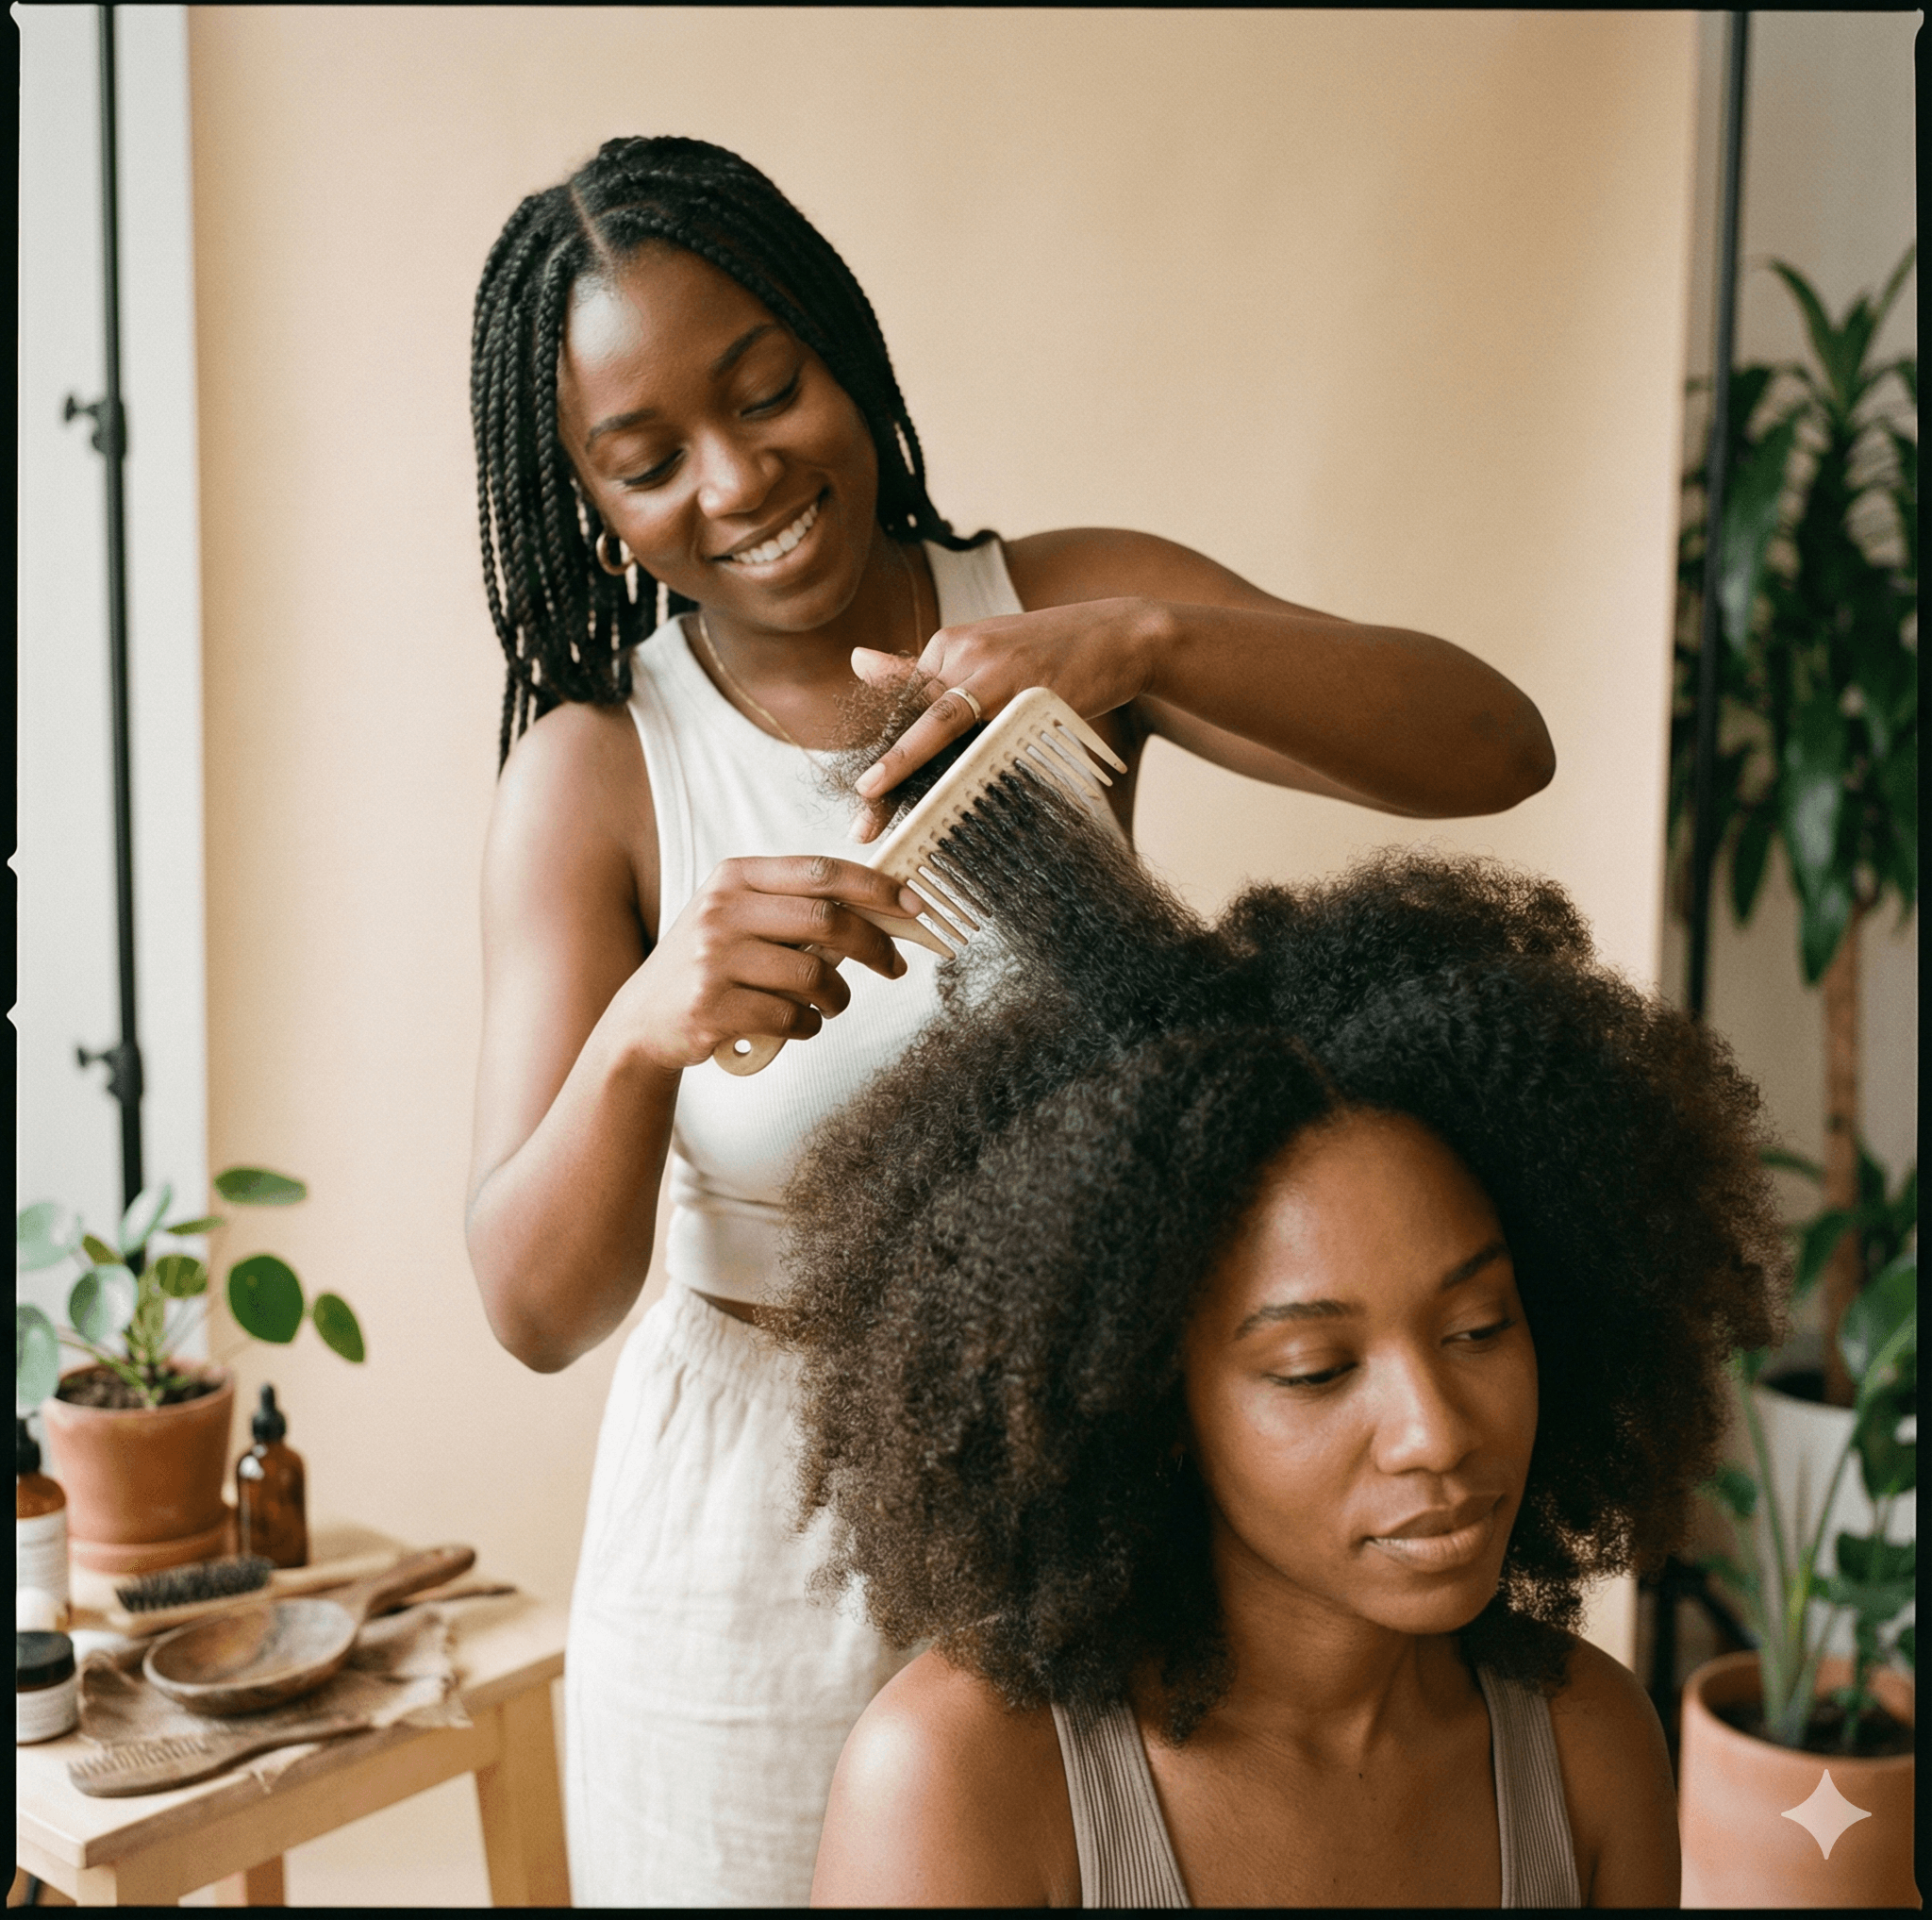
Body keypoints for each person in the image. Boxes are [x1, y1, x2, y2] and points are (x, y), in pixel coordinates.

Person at [463, 132, 1557, 1906]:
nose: (738, 480)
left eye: (768, 390)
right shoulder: (599, 774)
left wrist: (1143, 645)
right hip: (757, 1545)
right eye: (648, 460)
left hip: (1081, 1474)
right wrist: (640, 1035)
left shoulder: (1060, 610)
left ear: (844, 350)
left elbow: (1493, 747)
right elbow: (532, 1304)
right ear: (586, 497)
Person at [786, 847, 1784, 1907]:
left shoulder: (1589, 1743)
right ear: (1150, 1399)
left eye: (1478, 1325)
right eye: (1313, 1368)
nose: (1434, 1432)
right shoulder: (959, 1777)